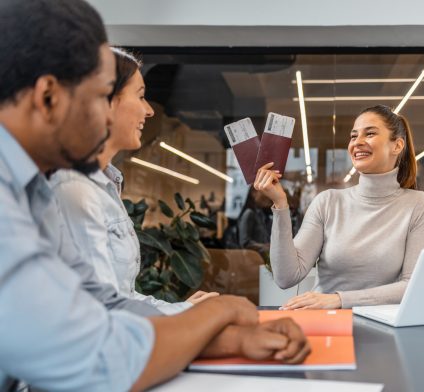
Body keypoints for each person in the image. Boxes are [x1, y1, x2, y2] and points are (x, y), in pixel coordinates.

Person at [0, 1, 310, 391]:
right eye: (100, 96)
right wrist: (217, 312)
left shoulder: (34, 190)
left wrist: (232, 336)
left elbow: (104, 304)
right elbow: (96, 360)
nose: (107, 115)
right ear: (48, 97)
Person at [50, 47, 217, 315]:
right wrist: (186, 319)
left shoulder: (106, 184)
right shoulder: (74, 189)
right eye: (140, 96)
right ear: (106, 101)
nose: (149, 110)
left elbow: (122, 296)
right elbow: (103, 309)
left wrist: (184, 311)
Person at [254, 105, 424, 310]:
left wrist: (339, 299)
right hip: (326, 324)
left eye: (370, 133)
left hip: (382, 325)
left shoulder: (419, 205)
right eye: (353, 136)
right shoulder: (327, 202)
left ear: (397, 145)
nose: (357, 142)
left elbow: (413, 285)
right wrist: (280, 205)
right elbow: (286, 277)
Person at [237, 186, 273, 261]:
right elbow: (245, 243)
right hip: (252, 262)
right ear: (254, 192)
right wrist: (266, 246)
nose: (268, 195)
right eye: (264, 192)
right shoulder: (249, 213)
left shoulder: (261, 215)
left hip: (261, 261)